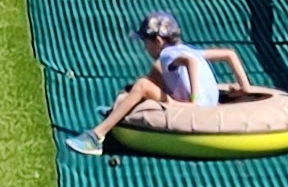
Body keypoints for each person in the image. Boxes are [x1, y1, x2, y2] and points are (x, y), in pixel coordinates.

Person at [88, 10, 251, 149]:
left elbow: (190, 63)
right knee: (156, 72)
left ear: (158, 41)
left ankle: (97, 134)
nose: (145, 47)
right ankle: (119, 108)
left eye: (146, 42)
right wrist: (245, 88)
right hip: (211, 103)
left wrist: (194, 100)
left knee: (143, 85)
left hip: (193, 107)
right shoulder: (189, 50)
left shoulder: (167, 55)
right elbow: (229, 54)